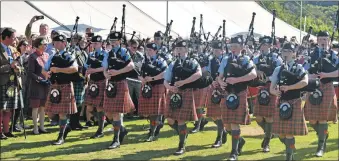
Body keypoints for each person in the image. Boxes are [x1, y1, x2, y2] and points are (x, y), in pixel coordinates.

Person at [217, 36, 257, 160]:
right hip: (227, 93)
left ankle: (234, 153)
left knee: (234, 123)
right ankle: (240, 140)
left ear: (241, 48)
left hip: (240, 92)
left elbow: (253, 74)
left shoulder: (245, 60)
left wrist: (237, 79)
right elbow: (220, 76)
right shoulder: (225, 59)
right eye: (232, 46)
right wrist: (221, 82)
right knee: (227, 124)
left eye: (236, 46)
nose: (233, 48)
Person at [270, 42, 308, 161]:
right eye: (284, 51)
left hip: (294, 101)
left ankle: (289, 157)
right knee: (281, 134)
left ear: (294, 54)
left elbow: (305, 82)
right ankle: (290, 147)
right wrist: (275, 92)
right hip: (282, 102)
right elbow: (272, 87)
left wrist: (289, 88)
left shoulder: (299, 68)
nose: (286, 54)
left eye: (289, 52)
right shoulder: (278, 69)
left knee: (289, 133)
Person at [163, 40, 202, 155]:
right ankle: (183, 133)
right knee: (170, 120)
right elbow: (165, 80)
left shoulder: (192, 62)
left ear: (186, 50)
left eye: (180, 49)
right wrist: (170, 88)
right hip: (174, 92)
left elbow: (198, 74)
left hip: (186, 92)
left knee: (180, 120)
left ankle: (181, 145)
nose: (178, 51)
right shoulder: (172, 63)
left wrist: (184, 82)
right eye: (177, 49)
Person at [304, 31, 339, 157]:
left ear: (329, 40)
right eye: (321, 39)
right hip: (313, 85)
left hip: (327, 85)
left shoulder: (334, 55)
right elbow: (304, 70)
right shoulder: (311, 54)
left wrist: (326, 75)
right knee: (312, 119)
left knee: (323, 117)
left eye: (325, 39)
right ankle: (323, 135)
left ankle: (320, 146)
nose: (323, 41)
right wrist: (311, 75)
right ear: (317, 40)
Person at [43, 34, 78, 145]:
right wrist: (47, 74)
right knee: (50, 112)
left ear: (64, 43)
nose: (56, 44)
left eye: (59, 42)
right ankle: (66, 126)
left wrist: (58, 70)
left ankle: (61, 136)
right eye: (55, 42)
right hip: (54, 86)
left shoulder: (69, 55)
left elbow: (74, 69)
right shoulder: (52, 55)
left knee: (63, 113)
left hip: (65, 85)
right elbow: (44, 69)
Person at [102, 31, 134, 149]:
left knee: (116, 113)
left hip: (121, 83)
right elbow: (104, 67)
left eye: (115, 41)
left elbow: (131, 66)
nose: (113, 43)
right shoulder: (108, 53)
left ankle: (116, 140)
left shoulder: (124, 52)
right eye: (111, 41)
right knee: (108, 113)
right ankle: (122, 130)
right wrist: (106, 74)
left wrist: (118, 72)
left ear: (120, 41)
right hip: (111, 84)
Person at [252, 36, 283, 152]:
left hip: (271, 86)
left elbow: (280, 71)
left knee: (269, 116)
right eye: (262, 45)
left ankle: (267, 142)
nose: (263, 47)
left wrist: (269, 77)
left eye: (265, 45)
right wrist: (257, 71)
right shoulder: (256, 58)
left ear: (270, 46)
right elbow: (251, 69)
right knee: (258, 116)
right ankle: (269, 132)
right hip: (260, 87)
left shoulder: (276, 58)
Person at [138, 42, 167, 142]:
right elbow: (139, 72)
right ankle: (157, 125)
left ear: (155, 51)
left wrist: (152, 78)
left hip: (158, 86)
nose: (148, 52)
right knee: (150, 112)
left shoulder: (161, 60)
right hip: (147, 87)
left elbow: (165, 73)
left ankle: (152, 132)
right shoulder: (144, 60)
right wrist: (142, 79)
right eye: (147, 50)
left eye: (150, 50)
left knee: (155, 112)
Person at [205, 40, 228, 148]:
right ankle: (223, 130)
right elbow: (208, 73)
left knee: (220, 114)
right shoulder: (211, 61)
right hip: (214, 87)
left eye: (218, 49)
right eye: (214, 50)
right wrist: (211, 81)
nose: (216, 51)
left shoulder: (227, 60)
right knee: (214, 116)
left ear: (222, 50)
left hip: (224, 87)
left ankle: (218, 138)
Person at [85, 35, 108, 138]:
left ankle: (100, 130)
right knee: (89, 107)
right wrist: (85, 73)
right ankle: (103, 120)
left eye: (97, 43)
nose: (95, 45)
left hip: (102, 80)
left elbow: (104, 67)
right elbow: (86, 66)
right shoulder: (90, 54)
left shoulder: (106, 54)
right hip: (93, 81)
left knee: (99, 107)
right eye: (93, 43)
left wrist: (92, 70)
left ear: (101, 43)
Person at [0, 28, 21, 139]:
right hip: (2, 83)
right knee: (1, 108)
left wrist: (18, 68)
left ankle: (7, 131)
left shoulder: (12, 49)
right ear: (7, 37)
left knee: (9, 108)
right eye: (13, 37)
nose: (15, 39)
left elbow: (17, 63)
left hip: (12, 82)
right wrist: (10, 66)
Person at [27, 36, 50, 135]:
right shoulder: (32, 57)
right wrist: (39, 79)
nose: (45, 46)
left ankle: (42, 126)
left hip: (46, 84)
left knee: (43, 107)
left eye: (46, 44)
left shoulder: (47, 55)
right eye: (43, 44)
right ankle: (35, 128)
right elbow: (30, 72)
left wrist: (48, 77)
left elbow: (48, 68)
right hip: (36, 85)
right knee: (35, 107)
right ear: (37, 45)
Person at [127, 39, 144, 117]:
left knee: (139, 96)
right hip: (127, 78)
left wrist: (133, 65)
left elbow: (140, 66)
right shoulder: (126, 54)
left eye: (137, 47)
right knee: (129, 97)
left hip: (137, 79)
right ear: (129, 46)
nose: (135, 49)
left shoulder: (139, 55)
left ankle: (141, 113)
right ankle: (130, 113)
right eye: (134, 47)